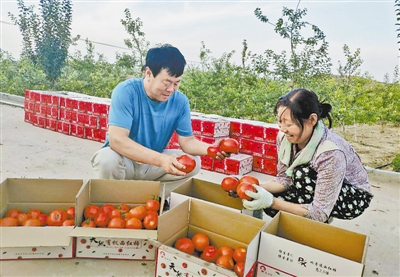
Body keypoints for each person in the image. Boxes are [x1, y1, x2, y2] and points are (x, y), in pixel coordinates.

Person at [91, 44, 228, 200]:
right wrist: (161, 159)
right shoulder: (126, 92)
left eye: (176, 83)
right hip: (124, 161)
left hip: (151, 165)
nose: (171, 89)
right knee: (106, 159)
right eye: (167, 82)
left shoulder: (180, 102)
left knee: (193, 163)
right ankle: (112, 201)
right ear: (148, 73)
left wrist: (212, 149)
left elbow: (188, 142)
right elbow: (117, 141)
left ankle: (150, 199)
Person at [243, 89, 373, 223]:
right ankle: (304, 215)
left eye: (289, 124)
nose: (282, 129)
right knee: (275, 201)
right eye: (280, 122)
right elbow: (285, 178)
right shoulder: (284, 138)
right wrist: (254, 189)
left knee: (301, 175)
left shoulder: (330, 152)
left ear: (312, 120)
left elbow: (319, 213)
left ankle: (315, 221)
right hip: (311, 183)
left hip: (352, 197)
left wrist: (270, 202)